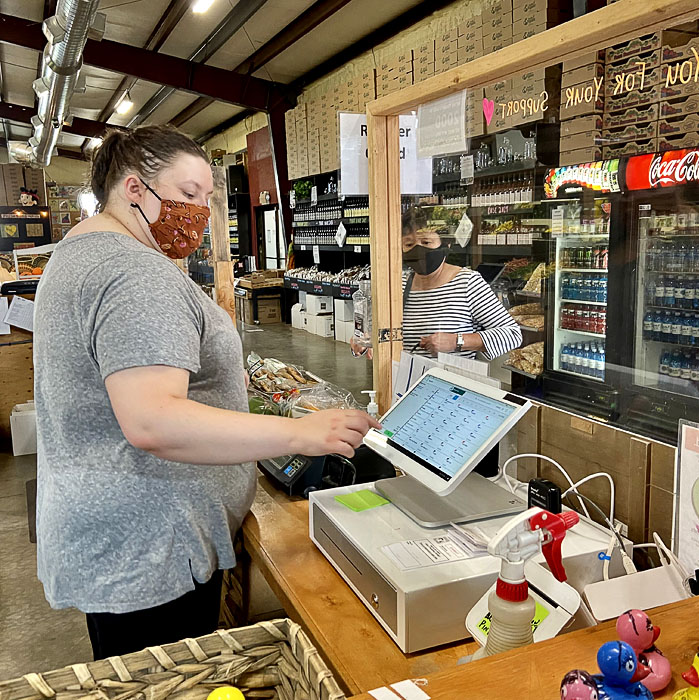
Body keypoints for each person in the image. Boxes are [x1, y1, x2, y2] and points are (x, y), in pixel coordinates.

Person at [33, 125, 380, 660]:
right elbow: (153, 420)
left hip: (114, 531)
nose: (198, 211)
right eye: (187, 193)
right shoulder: (133, 272)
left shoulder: (78, 253)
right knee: (169, 681)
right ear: (133, 189)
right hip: (153, 544)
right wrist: (299, 433)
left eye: (207, 197)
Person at [352, 209, 522, 359]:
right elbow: (380, 333)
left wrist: (457, 341)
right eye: (409, 244)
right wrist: (364, 342)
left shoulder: (468, 283)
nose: (418, 250)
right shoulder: (398, 285)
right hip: (404, 380)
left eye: (426, 242)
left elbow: (512, 335)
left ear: (445, 243)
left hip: (450, 383)